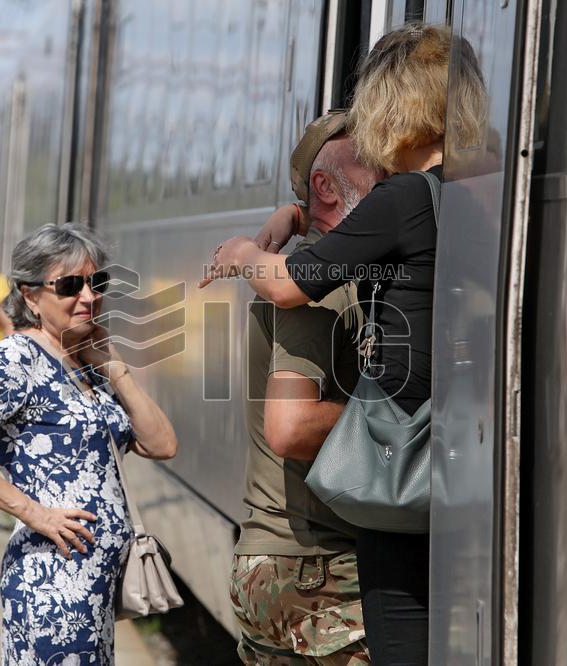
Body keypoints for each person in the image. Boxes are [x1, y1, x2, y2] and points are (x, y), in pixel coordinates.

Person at [205, 24, 487, 666]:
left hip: (396, 464)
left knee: (401, 638)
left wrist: (247, 252)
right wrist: (295, 214)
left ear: (394, 105)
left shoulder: (404, 196)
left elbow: (284, 285)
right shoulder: (470, 194)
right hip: (454, 464)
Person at [0, 223, 178, 665]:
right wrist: (31, 512)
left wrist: (114, 365)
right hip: (53, 588)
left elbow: (162, 444)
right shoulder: (19, 358)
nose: (89, 296)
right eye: (70, 285)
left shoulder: (87, 363)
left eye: (97, 283)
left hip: (93, 587)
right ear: (31, 295)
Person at [230, 111, 379, 665]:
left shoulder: (318, 268)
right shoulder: (316, 278)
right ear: (325, 185)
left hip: (285, 567)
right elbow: (291, 426)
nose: (391, 170)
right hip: (316, 574)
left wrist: (293, 215)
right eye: (372, 159)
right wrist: (405, 420)